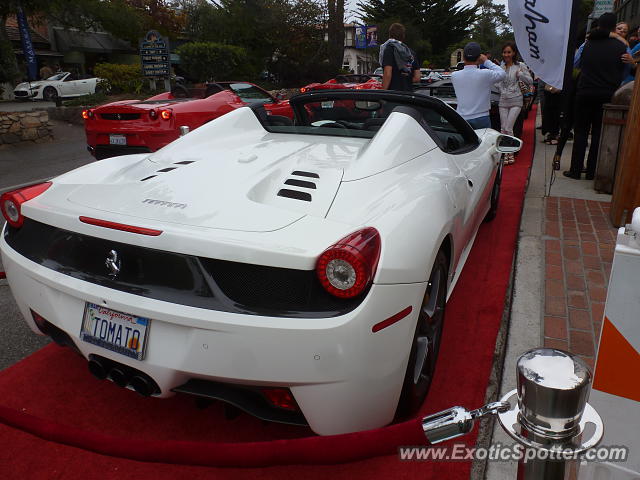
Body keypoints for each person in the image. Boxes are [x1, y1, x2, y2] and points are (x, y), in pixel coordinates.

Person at [564, 13, 627, 180]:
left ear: (598, 26)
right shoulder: (622, 46)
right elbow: (626, 69)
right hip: (608, 93)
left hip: (585, 91)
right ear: (614, 28)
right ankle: (592, 171)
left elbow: (575, 63)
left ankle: (576, 169)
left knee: (581, 131)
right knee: (599, 133)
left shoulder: (588, 43)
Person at [451, 42, 505, 130]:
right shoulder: (485, 74)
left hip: (462, 118)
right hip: (482, 117)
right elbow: (502, 73)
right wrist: (486, 61)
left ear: (463, 57)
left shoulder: (454, 75)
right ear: (479, 58)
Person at [496, 42, 533, 164]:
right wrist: (502, 90)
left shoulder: (520, 66)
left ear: (514, 53)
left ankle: (510, 153)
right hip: (503, 100)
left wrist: (521, 74)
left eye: (509, 52)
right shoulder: (501, 68)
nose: (506, 54)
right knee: (502, 128)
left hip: (516, 100)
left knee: (508, 127)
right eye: (505, 52)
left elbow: (530, 81)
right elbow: (496, 83)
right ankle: (503, 153)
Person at [379, 23, 420, 91]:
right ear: (403, 36)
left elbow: (387, 73)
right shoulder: (411, 52)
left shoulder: (389, 49)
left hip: (394, 95)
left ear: (390, 35)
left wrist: (383, 92)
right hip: (408, 95)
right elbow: (417, 78)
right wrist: (405, 81)